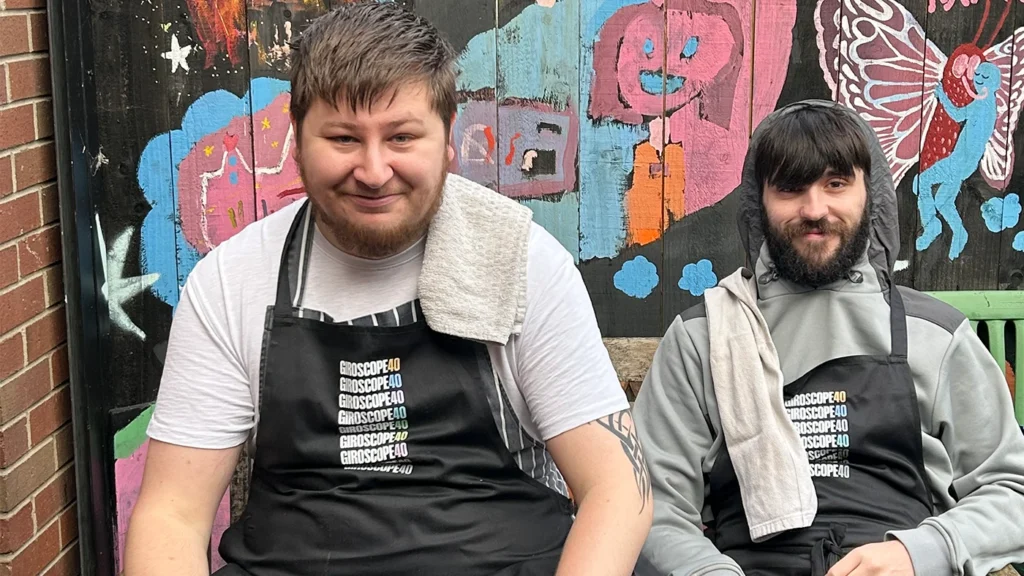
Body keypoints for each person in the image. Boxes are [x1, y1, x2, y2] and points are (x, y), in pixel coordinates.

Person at [124, 4, 652, 575]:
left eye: (401, 137)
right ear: (297, 142)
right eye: (344, 138)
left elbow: (617, 488)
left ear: (448, 140)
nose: (374, 171)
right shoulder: (232, 281)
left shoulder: (521, 262)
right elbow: (172, 514)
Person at [633, 100, 1024, 576]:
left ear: (871, 194)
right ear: (759, 203)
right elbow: (648, 507)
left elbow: (1011, 491)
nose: (814, 209)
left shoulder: (933, 335)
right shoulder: (704, 339)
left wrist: (920, 553)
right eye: (790, 188)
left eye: (836, 184)